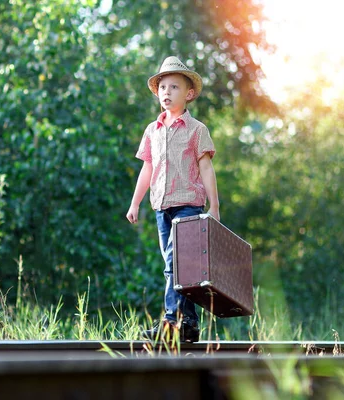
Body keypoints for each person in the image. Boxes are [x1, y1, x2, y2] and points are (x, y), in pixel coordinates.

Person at [126, 56, 220, 343]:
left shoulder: (196, 129)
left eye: (174, 87)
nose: (167, 92)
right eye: (163, 87)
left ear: (188, 94)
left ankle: (170, 321)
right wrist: (135, 202)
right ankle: (188, 323)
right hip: (161, 206)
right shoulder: (152, 131)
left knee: (175, 263)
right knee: (180, 266)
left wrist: (214, 206)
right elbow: (148, 168)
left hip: (189, 204)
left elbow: (205, 167)